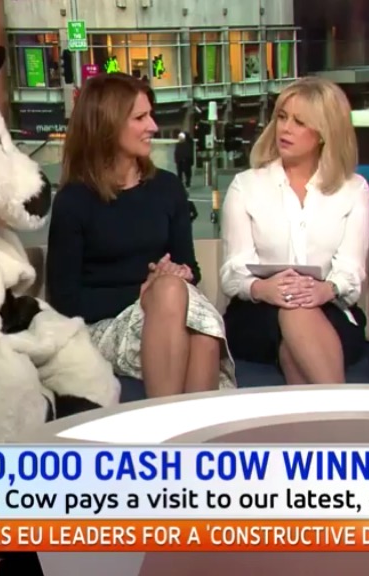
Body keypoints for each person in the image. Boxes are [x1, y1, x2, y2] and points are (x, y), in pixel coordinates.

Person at [46, 73, 236, 397]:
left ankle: (180, 428)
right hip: (102, 324)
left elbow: (190, 268)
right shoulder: (74, 201)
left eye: (151, 115)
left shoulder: (167, 187)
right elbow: (65, 301)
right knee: (173, 298)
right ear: (107, 125)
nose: (153, 126)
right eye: (140, 118)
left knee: (201, 331)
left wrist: (178, 273)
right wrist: (145, 292)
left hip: (169, 309)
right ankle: (174, 421)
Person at [219, 77, 369, 384]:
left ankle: (324, 412)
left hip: (330, 308)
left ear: (324, 133)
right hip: (256, 312)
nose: (285, 129)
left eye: (299, 122)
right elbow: (233, 270)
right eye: (282, 117)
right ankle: (341, 407)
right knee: (295, 310)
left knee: (297, 324)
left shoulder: (353, 189)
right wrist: (264, 289)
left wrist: (325, 289)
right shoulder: (246, 185)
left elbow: (351, 269)